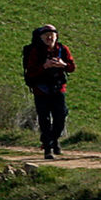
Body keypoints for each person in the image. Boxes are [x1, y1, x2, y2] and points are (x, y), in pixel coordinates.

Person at [22, 24, 74, 159]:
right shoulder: (35, 51)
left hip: (58, 88)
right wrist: (44, 66)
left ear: (56, 36)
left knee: (60, 118)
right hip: (41, 89)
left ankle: (53, 140)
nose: (50, 37)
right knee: (44, 120)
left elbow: (72, 67)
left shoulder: (63, 49)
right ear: (41, 38)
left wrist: (63, 65)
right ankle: (48, 148)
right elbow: (30, 72)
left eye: (52, 35)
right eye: (46, 35)